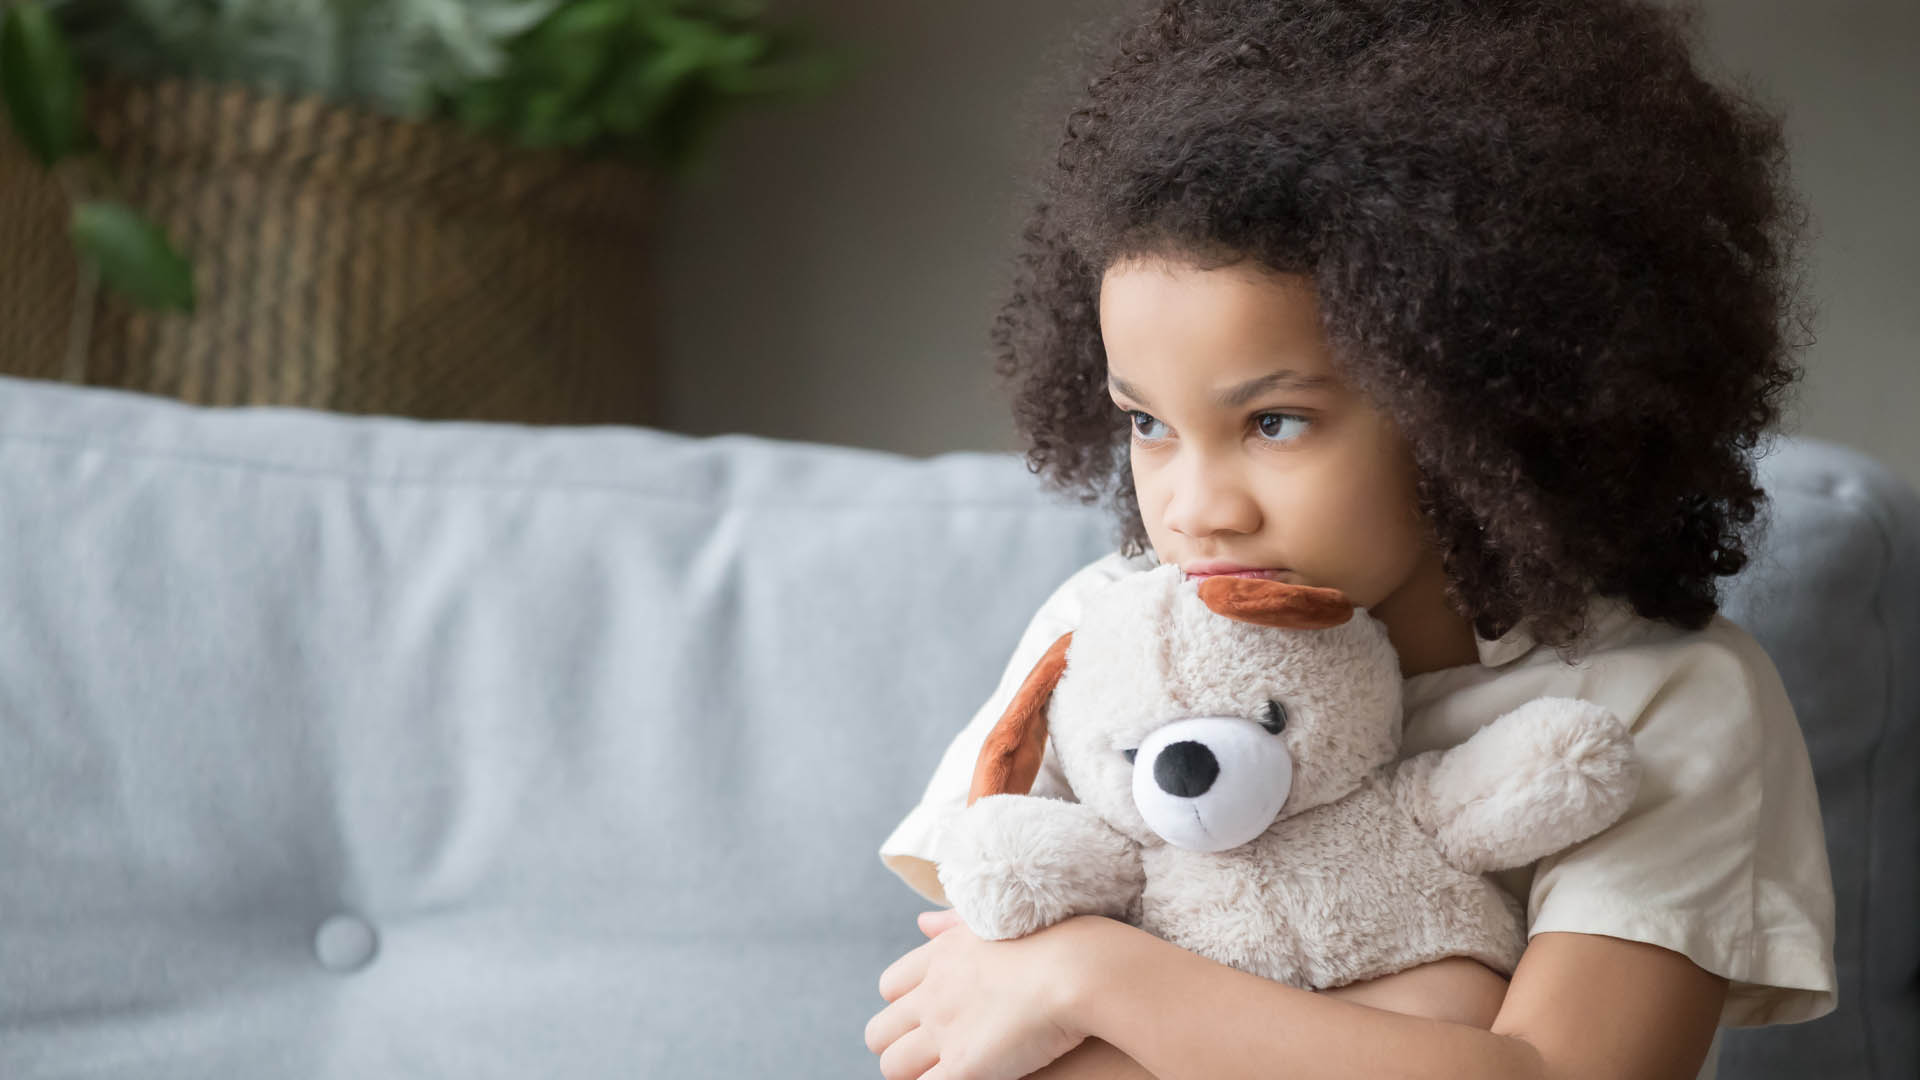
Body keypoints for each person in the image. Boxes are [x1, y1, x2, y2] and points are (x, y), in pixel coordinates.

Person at [863, 1, 1838, 1078]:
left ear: (1479, 403)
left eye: (1274, 422)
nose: (1195, 508)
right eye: (1148, 424)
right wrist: (1437, 1034)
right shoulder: (1103, 635)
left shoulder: (1658, 700)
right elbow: (965, 1032)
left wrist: (1096, 978)